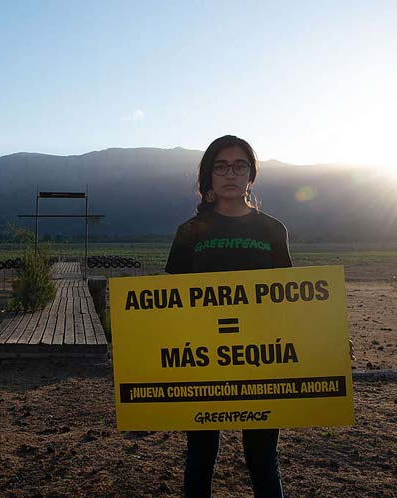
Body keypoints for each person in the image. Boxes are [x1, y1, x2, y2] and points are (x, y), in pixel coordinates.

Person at [165, 135, 291, 498]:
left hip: (262, 361)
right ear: (208, 176)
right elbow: (170, 302)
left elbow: (289, 298)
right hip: (202, 362)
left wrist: (328, 335)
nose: (230, 174)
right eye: (220, 166)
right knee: (200, 457)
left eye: (239, 166)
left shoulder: (272, 230)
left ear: (251, 175)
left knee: (262, 459)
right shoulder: (189, 232)